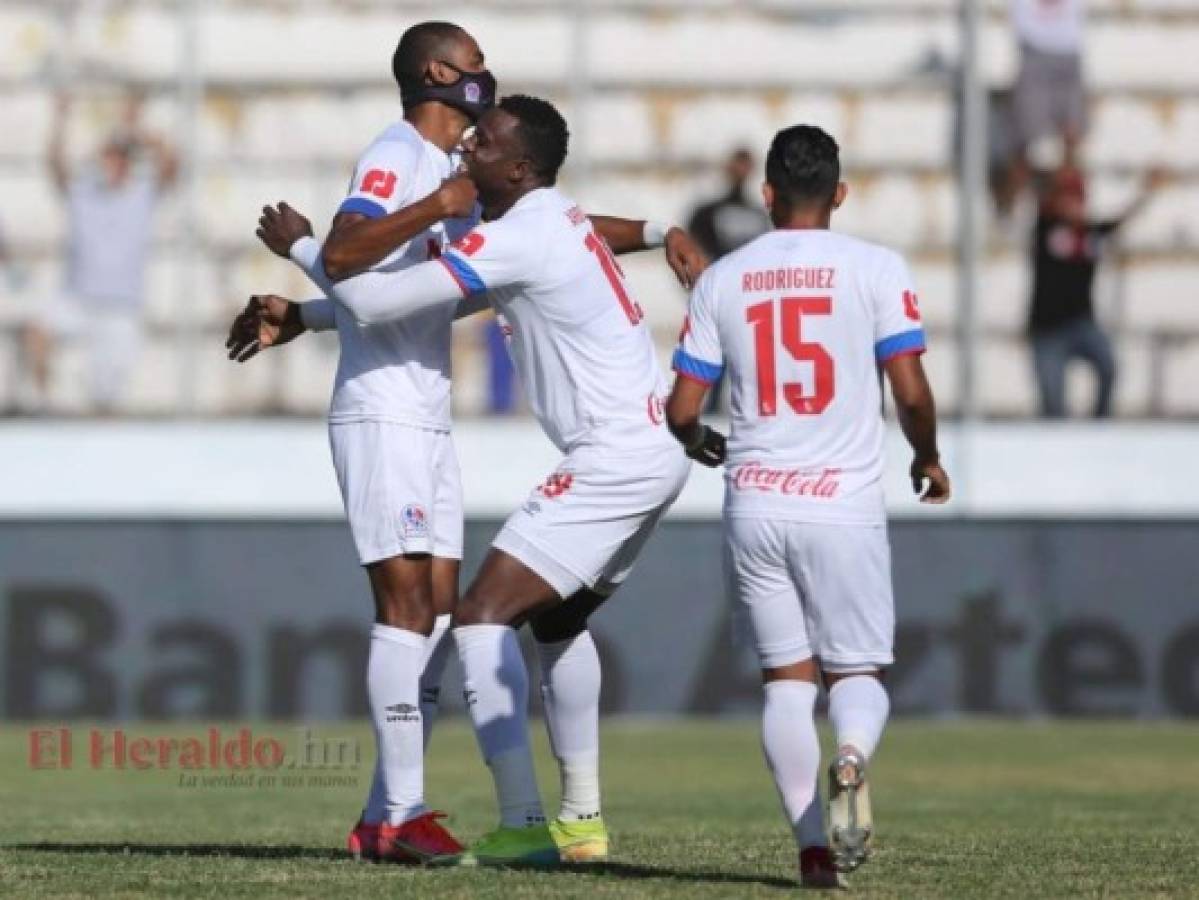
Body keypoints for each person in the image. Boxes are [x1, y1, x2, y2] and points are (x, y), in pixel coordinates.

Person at [244, 95, 706, 867]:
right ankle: (582, 821)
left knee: (480, 618)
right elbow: (579, 239)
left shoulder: (519, 234)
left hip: (613, 456)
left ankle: (524, 824)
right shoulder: (552, 217)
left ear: (520, 168)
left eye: (483, 143)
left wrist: (300, 249)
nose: (466, 148)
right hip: (652, 450)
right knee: (556, 626)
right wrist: (664, 231)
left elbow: (375, 295)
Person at [664, 125, 951, 888]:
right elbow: (911, 389)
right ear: (841, 193)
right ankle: (851, 759)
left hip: (755, 500)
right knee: (854, 673)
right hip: (842, 501)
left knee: (786, 683)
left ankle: (810, 850)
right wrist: (925, 455)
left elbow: (683, 406)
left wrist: (698, 443)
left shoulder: (725, 277)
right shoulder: (874, 268)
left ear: (765, 195)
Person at [22, 94, 176, 413]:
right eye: (108, 156)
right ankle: (42, 405)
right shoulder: (83, 192)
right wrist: (60, 121)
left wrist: (139, 129)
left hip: (121, 308)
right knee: (38, 329)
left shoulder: (141, 194)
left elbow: (172, 165)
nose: (113, 164)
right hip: (78, 299)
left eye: (120, 158)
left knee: (105, 400)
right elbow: (54, 165)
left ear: (128, 163)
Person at [1028, 163, 1165, 418]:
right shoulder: (1045, 228)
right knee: (1053, 408)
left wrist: (1145, 193)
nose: (1073, 207)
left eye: (1077, 201)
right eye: (1066, 200)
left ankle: (1100, 423)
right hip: (1047, 330)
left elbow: (1119, 221)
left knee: (1108, 366)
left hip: (1082, 323)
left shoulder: (1092, 233)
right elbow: (1040, 190)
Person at [686, 147, 772, 412]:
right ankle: (710, 410)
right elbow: (692, 252)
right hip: (719, 296)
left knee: (749, 359)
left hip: (751, 296)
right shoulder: (707, 212)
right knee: (714, 358)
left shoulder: (760, 215)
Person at [1002, 0, 1086, 212]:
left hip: (1069, 50)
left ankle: (1064, 208)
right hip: (1033, 49)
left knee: (1072, 136)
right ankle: (1010, 207)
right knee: (1025, 143)